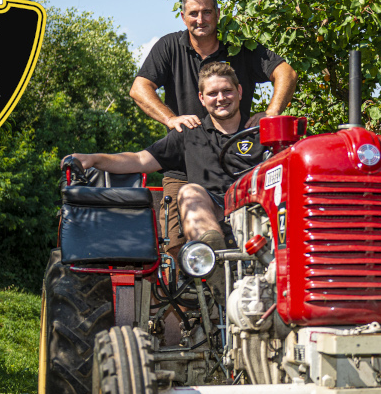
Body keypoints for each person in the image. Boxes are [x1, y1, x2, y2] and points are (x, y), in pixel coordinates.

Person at [130, 0, 297, 250]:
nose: (200, 19)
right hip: (184, 166)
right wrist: (170, 119)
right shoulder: (169, 46)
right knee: (176, 246)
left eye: (207, 12)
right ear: (183, 17)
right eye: (193, 13)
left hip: (238, 166)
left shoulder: (240, 47)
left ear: (217, 14)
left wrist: (271, 113)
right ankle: (204, 286)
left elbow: (286, 72)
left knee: (271, 236)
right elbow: (139, 88)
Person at [67, 62, 263, 271]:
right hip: (211, 215)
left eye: (227, 91)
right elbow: (140, 160)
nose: (221, 98)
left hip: (256, 213)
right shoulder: (190, 132)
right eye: (213, 93)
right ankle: (213, 270)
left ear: (239, 92)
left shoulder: (263, 132)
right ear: (202, 99)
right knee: (189, 191)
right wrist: (94, 159)